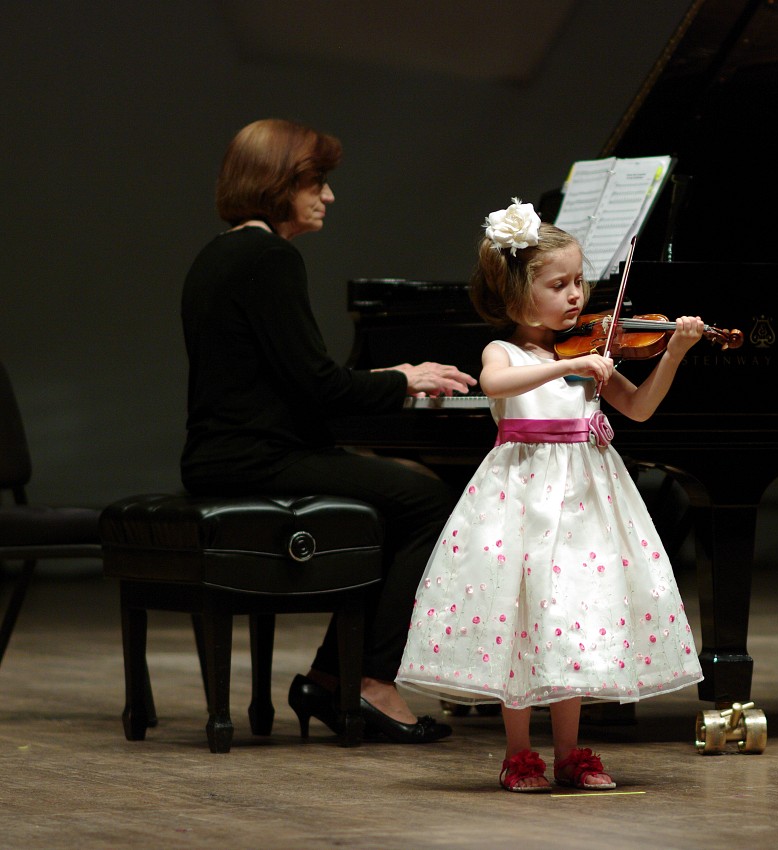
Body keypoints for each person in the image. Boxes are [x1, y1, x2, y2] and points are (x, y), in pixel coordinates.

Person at [181, 118, 477, 744]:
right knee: (428, 503)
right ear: (279, 182)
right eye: (317, 181)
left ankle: (331, 676)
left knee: (400, 496)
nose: (328, 195)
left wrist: (387, 376)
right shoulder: (269, 257)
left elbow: (293, 379)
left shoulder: (220, 254)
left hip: (224, 456)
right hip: (258, 461)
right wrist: (404, 380)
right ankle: (369, 679)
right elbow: (318, 386)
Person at [396, 199, 705, 791]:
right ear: (516, 293)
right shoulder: (506, 352)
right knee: (520, 617)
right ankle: (519, 753)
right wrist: (568, 367)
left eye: (579, 282)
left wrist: (674, 355)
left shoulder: (588, 354)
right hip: (521, 500)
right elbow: (496, 383)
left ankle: (571, 751)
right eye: (557, 284)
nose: (574, 296)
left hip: (587, 502)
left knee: (572, 615)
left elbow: (639, 409)